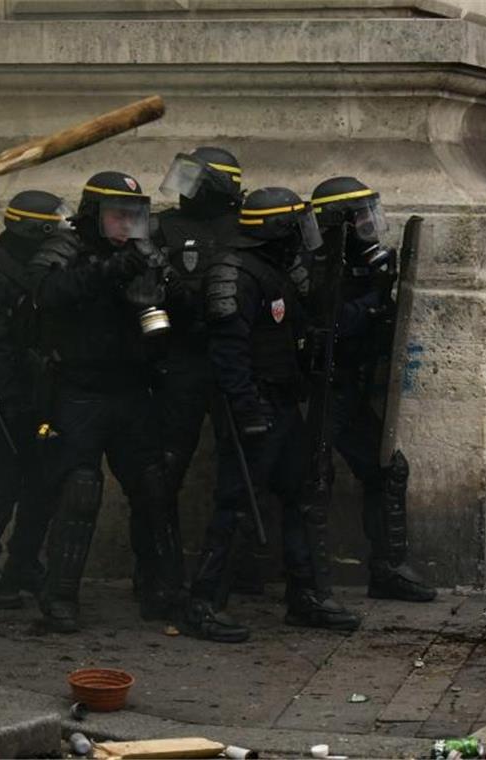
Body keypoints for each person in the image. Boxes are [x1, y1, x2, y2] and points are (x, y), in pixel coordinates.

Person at [178, 186, 361, 642]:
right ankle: (203, 603)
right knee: (235, 506)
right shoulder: (233, 272)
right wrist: (245, 408)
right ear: (277, 230)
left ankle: (306, 597)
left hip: (282, 401)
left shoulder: (277, 269)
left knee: (302, 494)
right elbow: (227, 352)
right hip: (252, 404)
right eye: (297, 226)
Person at [28, 171, 185, 633]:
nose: (127, 225)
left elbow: (171, 311)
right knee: (79, 490)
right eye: (118, 215)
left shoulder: (144, 254)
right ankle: (59, 595)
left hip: (133, 390)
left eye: (135, 215)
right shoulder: (66, 248)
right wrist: (105, 272)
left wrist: (162, 285)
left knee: (154, 489)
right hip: (79, 391)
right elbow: (45, 294)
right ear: (94, 214)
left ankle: (159, 587)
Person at [307, 176, 437, 602]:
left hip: (353, 387)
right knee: (314, 480)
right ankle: (311, 582)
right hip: (321, 392)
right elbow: (332, 324)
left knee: (387, 469)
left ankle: (388, 568)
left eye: (369, 212)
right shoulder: (314, 265)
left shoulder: (370, 262)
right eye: (358, 215)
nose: (368, 222)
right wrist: (371, 302)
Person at [127, 147, 245, 597]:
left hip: (233, 361)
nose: (182, 186)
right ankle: (157, 572)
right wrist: (159, 333)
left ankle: (238, 569)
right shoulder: (160, 229)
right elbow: (140, 297)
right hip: (180, 362)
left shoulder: (245, 228)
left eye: (194, 178)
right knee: (162, 470)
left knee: (246, 464)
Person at [0, 190, 72, 608]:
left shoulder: (49, 268)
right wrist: (11, 398)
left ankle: (23, 564)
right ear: (35, 229)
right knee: (0, 484)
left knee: (44, 483)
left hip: (43, 394)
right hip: (0, 395)